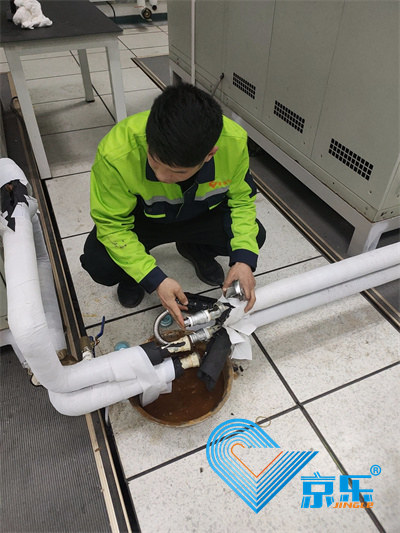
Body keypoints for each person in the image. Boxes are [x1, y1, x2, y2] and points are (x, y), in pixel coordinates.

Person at [80, 83, 266, 328]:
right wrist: (152, 278)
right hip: (144, 220)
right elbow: (112, 225)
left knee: (253, 238)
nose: (162, 177)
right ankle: (132, 274)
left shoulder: (233, 142)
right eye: (154, 162)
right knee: (100, 263)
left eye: (178, 172)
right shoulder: (117, 151)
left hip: (200, 213)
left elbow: (241, 202)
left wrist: (243, 260)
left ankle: (196, 249)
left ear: (209, 154)